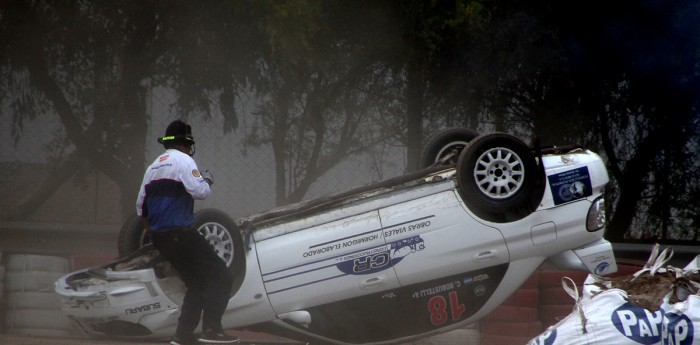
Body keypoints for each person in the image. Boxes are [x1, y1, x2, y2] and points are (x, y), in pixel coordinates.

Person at [136, 120, 237, 345]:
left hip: (162, 238)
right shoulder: (184, 160)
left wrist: (153, 231)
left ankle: (181, 337)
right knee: (222, 276)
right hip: (180, 233)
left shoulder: (152, 168)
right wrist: (207, 178)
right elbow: (200, 191)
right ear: (186, 143)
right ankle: (212, 331)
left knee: (197, 282)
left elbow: (140, 208)